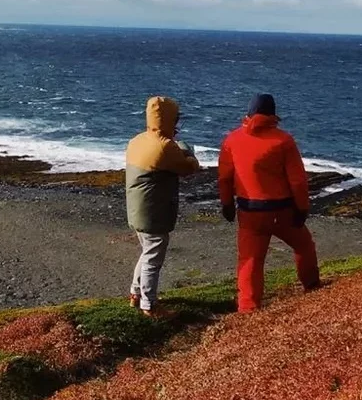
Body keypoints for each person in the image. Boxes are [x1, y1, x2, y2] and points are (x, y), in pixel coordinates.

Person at [218, 93, 320, 312]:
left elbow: (225, 177)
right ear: (273, 115)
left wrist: (226, 204)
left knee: (250, 260)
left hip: (249, 211)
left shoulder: (232, 140)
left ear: (249, 113)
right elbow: (298, 181)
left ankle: (248, 307)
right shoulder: (283, 141)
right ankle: (311, 285)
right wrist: (302, 208)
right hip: (281, 210)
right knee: (303, 245)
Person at [125, 96, 202, 316]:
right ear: (170, 119)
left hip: (137, 209)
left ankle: (135, 293)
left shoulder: (137, 140)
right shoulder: (164, 146)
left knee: (147, 251)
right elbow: (188, 168)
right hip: (153, 211)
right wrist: (188, 151)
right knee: (153, 257)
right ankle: (149, 305)